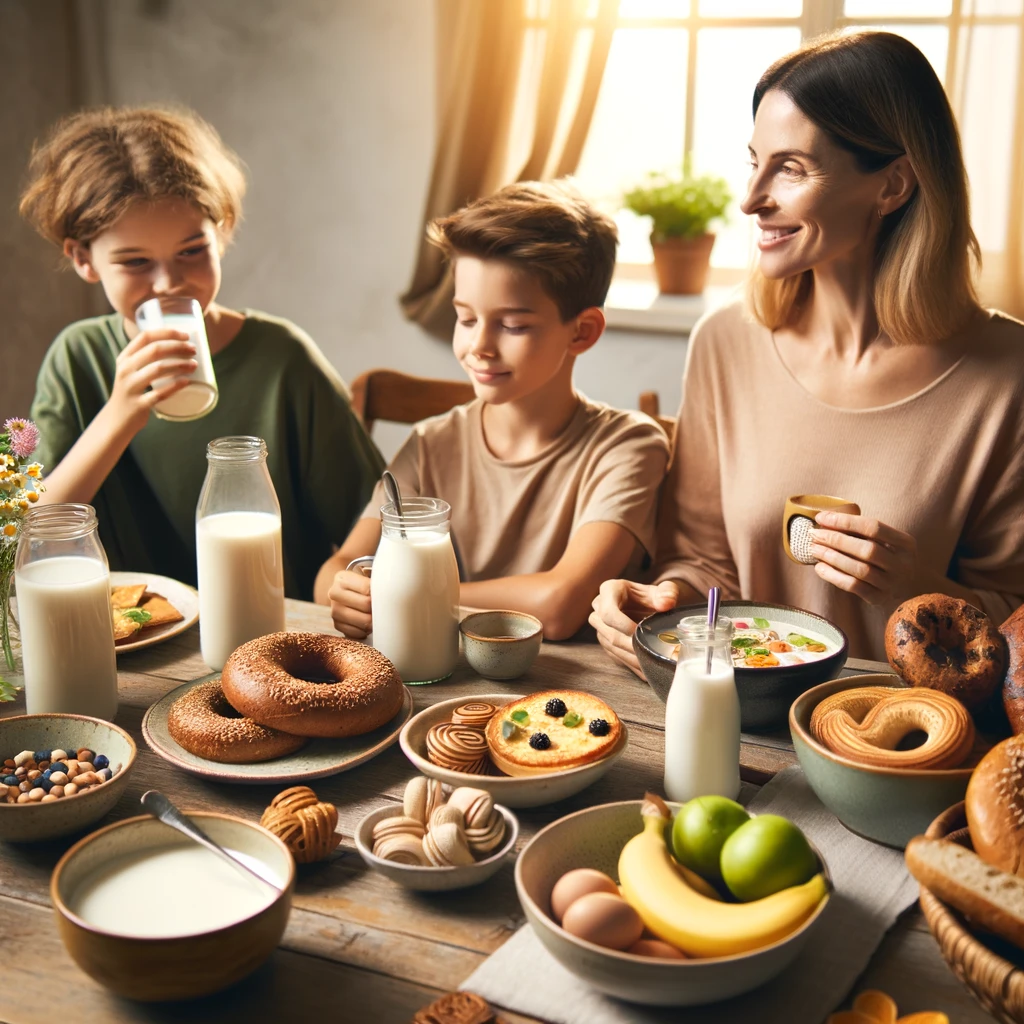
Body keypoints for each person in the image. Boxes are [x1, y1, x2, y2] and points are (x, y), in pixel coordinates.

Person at [591, 31, 1024, 670]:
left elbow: (1015, 626)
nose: (751, 198)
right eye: (755, 160)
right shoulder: (725, 342)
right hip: (738, 716)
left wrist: (920, 592)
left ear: (892, 186)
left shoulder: (1007, 374)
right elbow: (702, 557)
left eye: (791, 168)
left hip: (904, 740)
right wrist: (668, 598)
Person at [21, 106, 384, 599]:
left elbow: (378, 518)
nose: (169, 282)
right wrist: (121, 413)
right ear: (83, 259)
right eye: (135, 262)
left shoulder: (283, 359)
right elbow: (31, 539)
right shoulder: (78, 358)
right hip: (135, 639)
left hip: (270, 631)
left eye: (191, 251)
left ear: (223, 231)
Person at [316, 180, 670, 640]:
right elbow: (337, 570)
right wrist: (346, 592)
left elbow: (560, 604)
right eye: (465, 319)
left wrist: (410, 592)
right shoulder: (429, 444)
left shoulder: (627, 446)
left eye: (512, 325)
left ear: (581, 332)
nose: (478, 346)